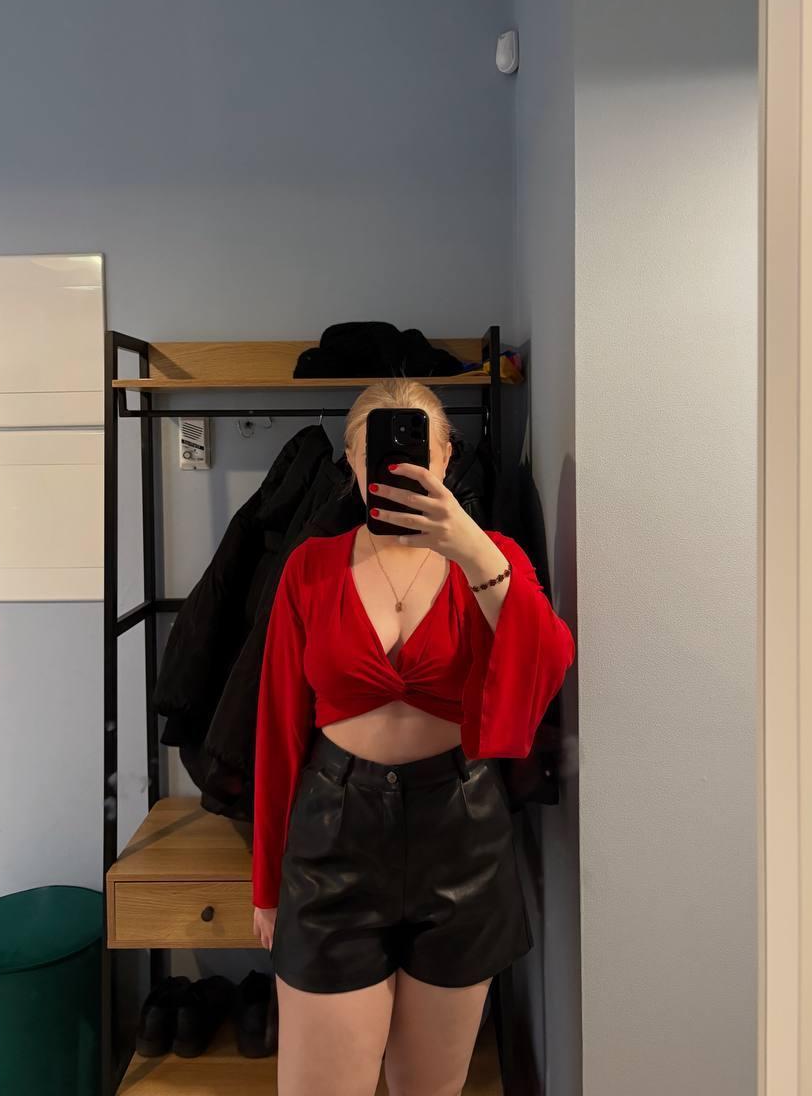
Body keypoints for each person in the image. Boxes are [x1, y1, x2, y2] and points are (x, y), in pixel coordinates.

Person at [251, 378, 575, 1096]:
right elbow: (276, 727)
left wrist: (471, 549)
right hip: (332, 844)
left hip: (463, 841)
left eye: (418, 449)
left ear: (446, 456)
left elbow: (550, 661)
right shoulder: (310, 568)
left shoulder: (493, 558)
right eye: (376, 451)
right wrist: (267, 882)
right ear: (352, 461)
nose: (398, 465)